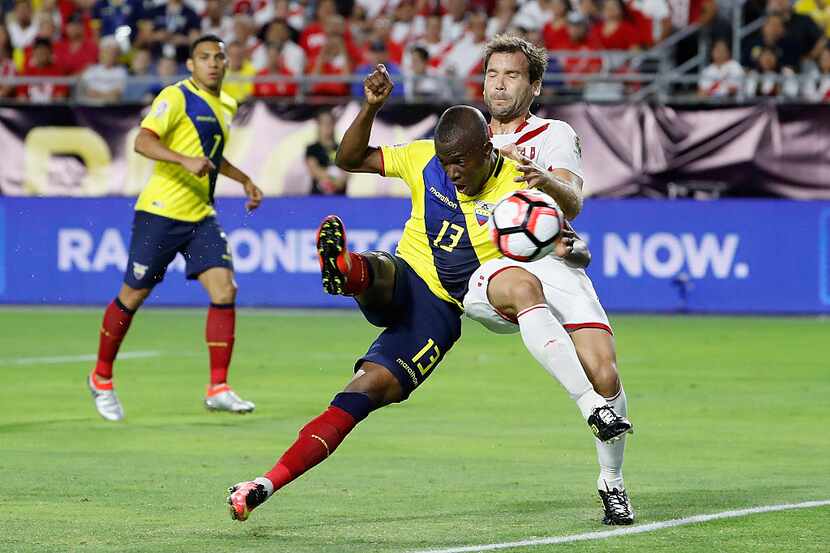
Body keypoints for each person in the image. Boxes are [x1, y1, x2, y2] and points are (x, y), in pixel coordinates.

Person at [226, 64, 628, 522]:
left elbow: (565, 241)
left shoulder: (519, 185)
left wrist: (569, 249)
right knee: (380, 270)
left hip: (440, 312)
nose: (452, 171)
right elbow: (349, 159)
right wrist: (371, 106)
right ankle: (347, 270)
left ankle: (264, 483)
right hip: (406, 275)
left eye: (462, 162)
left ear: (487, 150)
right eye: (446, 161)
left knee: (364, 392)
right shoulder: (423, 159)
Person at [461, 34, 635, 525]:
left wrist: (546, 179)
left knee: (606, 373)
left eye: (512, 76)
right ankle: (589, 410)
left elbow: (573, 202)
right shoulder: (466, 137)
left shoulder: (554, 134)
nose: (499, 85)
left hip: (551, 260)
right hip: (488, 265)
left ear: (534, 86)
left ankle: (612, 482)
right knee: (519, 286)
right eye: (493, 74)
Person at [86, 35, 263, 422]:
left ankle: (218, 387)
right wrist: (182, 160)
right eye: (205, 58)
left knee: (225, 288)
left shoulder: (227, 103)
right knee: (132, 296)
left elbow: (212, 156)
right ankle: (101, 377)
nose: (213, 64)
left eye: (219, 57)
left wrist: (245, 179)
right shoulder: (176, 97)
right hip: (161, 212)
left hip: (200, 214)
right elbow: (142, 141)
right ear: (191, 64)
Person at [305, 110, 348, 194]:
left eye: (329, 123)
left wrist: (339, 182)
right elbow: (314, 170)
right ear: (319, 125)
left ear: (334, 124)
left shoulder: (342, 149)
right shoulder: (312, 149)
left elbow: (347, 172)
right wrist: (331, 180)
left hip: (340, 198)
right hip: (318, 197)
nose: (327, 126)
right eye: (324, 123)